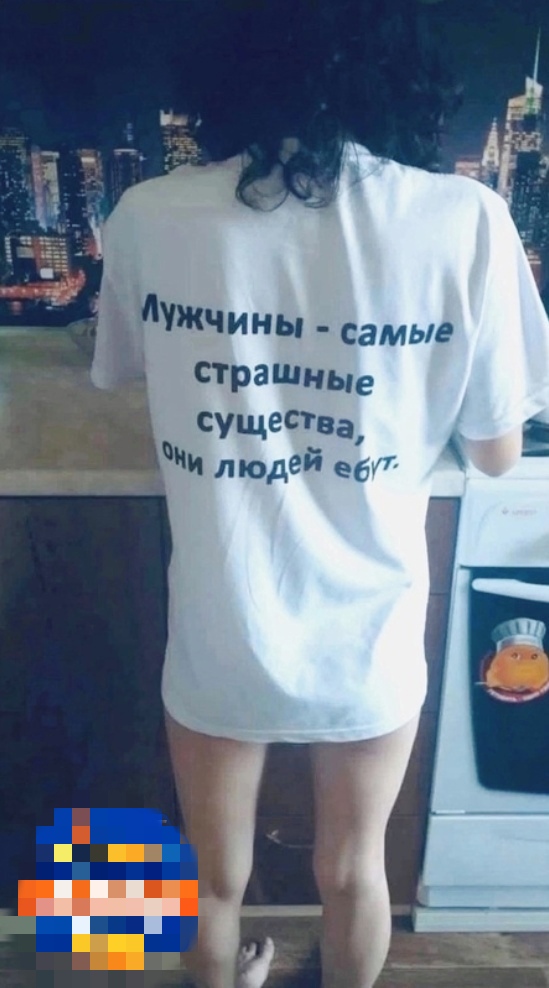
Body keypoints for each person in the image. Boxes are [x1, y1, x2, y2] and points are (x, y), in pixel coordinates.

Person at [90, 1, 549, 985]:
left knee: (212, 879)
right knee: (353, 871)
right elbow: (496, 452)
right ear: (397, 67)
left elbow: (127, 372)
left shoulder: (148, 215)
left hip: (221, 619)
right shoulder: (463, 219)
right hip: (367, 629)